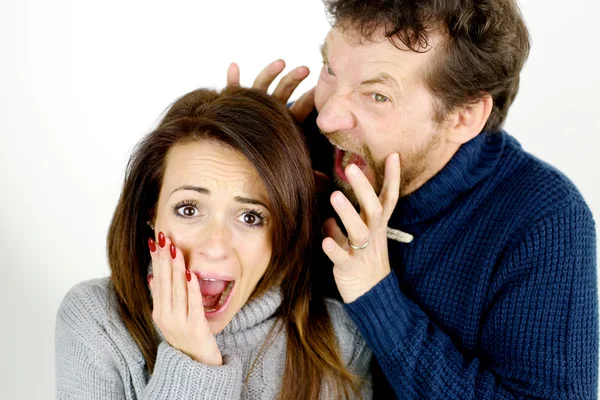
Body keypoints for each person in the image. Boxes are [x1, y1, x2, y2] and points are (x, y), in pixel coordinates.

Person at [227, 0, 598, 398]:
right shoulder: (303, 147)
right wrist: (237, 155)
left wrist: (376, 296)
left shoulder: (543, 221)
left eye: (377, 96)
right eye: (332, 71)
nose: (328, 118)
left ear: (463, 116)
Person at [55, 87, 372, 399]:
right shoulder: (96, 319)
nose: (216, 246)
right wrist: (194, 365)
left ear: (284, 231)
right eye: (189, 209)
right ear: (152, 211)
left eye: (250, 217)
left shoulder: (339, 339)